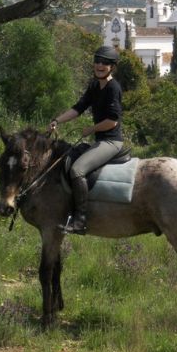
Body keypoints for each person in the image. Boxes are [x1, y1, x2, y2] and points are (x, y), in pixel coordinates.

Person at [48, 45, 125, 234]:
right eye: (97, 61)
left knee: (77, 170)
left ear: (112, 67)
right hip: (99, 141)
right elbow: (78, 108)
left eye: (105, 63)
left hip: (111, 142)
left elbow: (112, 121)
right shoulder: (94, 85)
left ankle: (80, 221)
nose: (100, 65)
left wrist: (91, 129)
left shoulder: (113, 88)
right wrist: (57, 120)